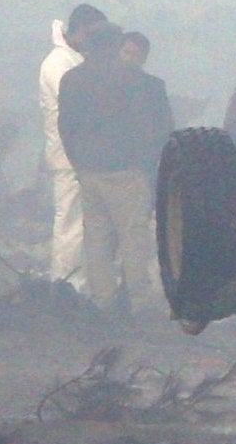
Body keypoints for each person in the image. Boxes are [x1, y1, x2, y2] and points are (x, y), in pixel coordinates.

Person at [58, 24, 165, 317]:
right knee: (133, 237)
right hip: (127, 171)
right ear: (116, 44)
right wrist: (147, 167)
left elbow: (66, 127)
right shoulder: (134, 79)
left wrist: (78, 164)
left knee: (96, 238)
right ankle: (138, 300)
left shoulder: (72, 80)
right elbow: (149, 129)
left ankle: (102, 299)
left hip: (89, 171)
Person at [39, 4, 105, 297]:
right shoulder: (57, 64)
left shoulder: (73, 58)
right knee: (70, 222)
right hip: (68, 156)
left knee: (82, 223)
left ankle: (79, 283)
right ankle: (67, 283)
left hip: (81, 154)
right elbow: (76, 106)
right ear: (79, 32)